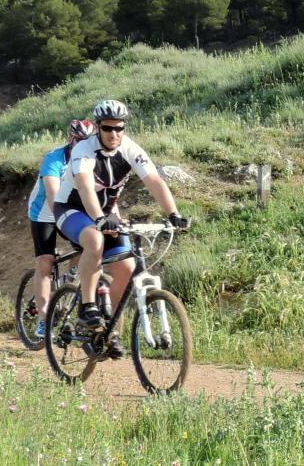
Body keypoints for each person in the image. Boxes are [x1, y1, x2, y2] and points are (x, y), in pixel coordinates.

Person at [53, 99, 190, 358]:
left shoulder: (129, 148)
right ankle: (87, 305)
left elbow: (153, 180)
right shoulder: (84, 150)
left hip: (105, 214)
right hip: (71, 209)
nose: (114, 134)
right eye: (107, 128)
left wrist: (173, 214)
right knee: (94, 241)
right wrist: (100, 219)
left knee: (126, 268)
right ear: (97, 127)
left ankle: (110, 330)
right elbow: (83, 186)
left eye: (119, 128)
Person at [27, 119, 96, 338]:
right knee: (45, 264)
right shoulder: (54, 158)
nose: (83, 144)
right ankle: (43, 319)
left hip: (73, 208)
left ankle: (71, 279)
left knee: (87, 247)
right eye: (79, 140)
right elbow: (52, 193)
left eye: (88, 141)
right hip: (45, 212)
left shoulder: (93, 159)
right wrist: (62, 220)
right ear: (70, 138)